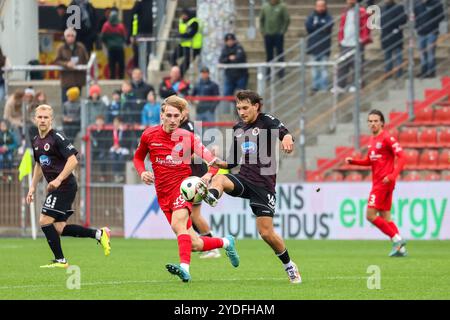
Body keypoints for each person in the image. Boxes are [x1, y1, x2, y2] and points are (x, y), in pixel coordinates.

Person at [197, 90, 301, 284]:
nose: (241, 112)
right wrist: (218, 162)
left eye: (245, 108)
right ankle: (211, 196)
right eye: (238, 108)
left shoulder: (266, 120)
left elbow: (283, 132)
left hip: (264, 187)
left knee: (266, 233)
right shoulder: (238, 128)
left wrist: (287, 138)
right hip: (244, 179)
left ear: (256, 106)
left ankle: (289, 265)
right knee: (220, 179)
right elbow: (232, 162)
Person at [133, 95, 239, 282]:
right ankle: (226, 242)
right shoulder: (149, 135)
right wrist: (142, 173)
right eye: (169, 115)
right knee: (194, 244)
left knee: (177, 225)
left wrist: (208, 174)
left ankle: (184, 269)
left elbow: (211, 160)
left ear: (182, 117)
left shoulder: (188, 138)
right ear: (162, 115)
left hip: (183, 189)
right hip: (162, 193)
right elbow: (138, 158)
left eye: (177, 116)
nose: (173, 120)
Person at [26, 104, 111, 268]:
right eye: (40, 117)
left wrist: (58, 179)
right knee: (59, 227)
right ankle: (99, 234)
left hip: (64, 185)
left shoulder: (57, 137)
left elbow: (73, 160)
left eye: (46, 117)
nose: (43, 120)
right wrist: (32, 187)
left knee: (44, 221)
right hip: (57, 187)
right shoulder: (36, 140)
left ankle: (60, 260)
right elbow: (38, 165)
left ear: (51, 119)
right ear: (35, 119)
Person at [345, 109, 407, 257]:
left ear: (382, 123)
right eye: (370, 121)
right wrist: (354, 162)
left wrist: (392, 175)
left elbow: (403, 157)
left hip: (384, 182)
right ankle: (401, 249)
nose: (373, 123)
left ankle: (397, 240)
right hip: (379, 182)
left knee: (370, 215)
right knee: (386, 216)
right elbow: (369, 161)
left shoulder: (387, 138)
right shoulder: (372, 140)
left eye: (376, 121)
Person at [179, 103, 221, 259]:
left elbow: (192, 153)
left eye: (179, 112)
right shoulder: (184, 126)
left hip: (196, 174)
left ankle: (212, 246)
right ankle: (204, 243)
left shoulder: (187, 127)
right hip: (191, 174)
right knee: (189, 215)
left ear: (185, 112)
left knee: (194, 215)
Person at [335, 0, 372, 93]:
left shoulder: (362, 11)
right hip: (345, 43)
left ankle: (356, 85)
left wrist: (363, 39)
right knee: (342, 64)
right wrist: (340, 39)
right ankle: (341, 85)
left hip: (357, 42)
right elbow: (342, 25)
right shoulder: (346, 11)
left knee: (357, 65)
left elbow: (366, 26)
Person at [54, 28, 89, 104]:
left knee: (77, 103)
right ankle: (65, 116)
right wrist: (66, 64)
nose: (70, 37)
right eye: (68, 35)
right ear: (65, 37)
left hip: (78, 79)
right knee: (65, 102)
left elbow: (86, 60)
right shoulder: (61, 48)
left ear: (75, 37)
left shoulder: (81, 47)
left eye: (72, 35)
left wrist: (78, 65)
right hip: (66, 80)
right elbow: (56, 61)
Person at [305, 0, 334, 92]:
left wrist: (316, 25)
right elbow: (308, 27)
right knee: (314, 69)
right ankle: (315, 86)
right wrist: (321, 26)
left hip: (324, 48)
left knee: (323, 69)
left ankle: (323, 87)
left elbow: (329, 26)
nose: (320, 8)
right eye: (318, 6)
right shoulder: (311, 17)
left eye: (322, 6)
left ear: (325, 7)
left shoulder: (328, 17)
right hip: (313, 47)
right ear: (315, 7)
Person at [259, 0, 290, 79]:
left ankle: (281, 73)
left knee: (280, 53)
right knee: (269, 55)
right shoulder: (265, 7)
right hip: (268, 35)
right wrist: (263, 31)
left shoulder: (282, 6)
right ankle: (268, 73)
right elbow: (261, 19)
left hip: (278, 35)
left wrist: (282, 31)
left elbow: (287, 19)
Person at [414, 0, 444, 78]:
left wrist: (432, 24)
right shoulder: (417, 4)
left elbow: (441, 16)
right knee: (422, 53)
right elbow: (416, 17)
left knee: (430, 52)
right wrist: (417, 27)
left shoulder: (436, 3)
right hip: (421, 33)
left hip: (432, 32)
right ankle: (424, 71)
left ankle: (431, 72)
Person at [171, 8, 202, 76]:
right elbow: (180, 31)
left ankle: (179, 75)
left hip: (193, 47)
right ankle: (176, 72)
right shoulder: (181, 21)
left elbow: (190, 34)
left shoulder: (194, 22)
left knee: (185, 63)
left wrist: (179, 35)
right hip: (184, 45)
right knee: (172, 57)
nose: (183, 16)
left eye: (185, 15)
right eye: (182, 14)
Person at [380, 0, 407, 79]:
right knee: (387, 58)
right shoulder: (382, 8)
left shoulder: (399, 7)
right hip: (386, 36)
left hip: (396, 36)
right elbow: (382, 22)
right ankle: (388, 74)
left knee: (398, 57)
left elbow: (403, 20)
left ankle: (399, 74)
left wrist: (392, 23)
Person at [101, 10, 127, 79]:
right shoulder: (120, 26)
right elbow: (124, 37)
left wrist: (107, 44)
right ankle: (121, 77)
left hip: (110, 48)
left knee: (112, 65)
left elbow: (102, 37)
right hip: (120, 48)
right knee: (121, 64)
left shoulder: (106, 25)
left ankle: (112, 78)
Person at [108, 116, 135, 183]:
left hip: (124, 149)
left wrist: (120, 145)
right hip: (115, 149)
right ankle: (117, 175)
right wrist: (114, 145)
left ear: (120, 123)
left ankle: (120, 175)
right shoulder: (112, 131)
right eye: (114, 122)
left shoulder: (126, 131)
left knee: (121, 158)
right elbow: (109, 141)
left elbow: (128, 142)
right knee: (113, 157)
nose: (115, 124)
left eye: (116, 122)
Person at [129, 0, 154, 69]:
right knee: (138, 55)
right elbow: (132, 19)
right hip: (140, 34)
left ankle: (144, 72)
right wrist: (132, 34)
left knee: (149, 55)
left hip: (151, 34)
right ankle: (137, 73)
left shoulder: (154, 3)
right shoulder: (139, 3)